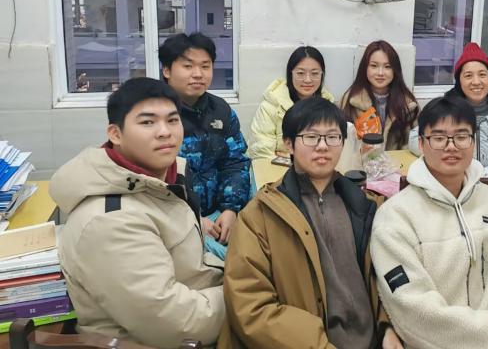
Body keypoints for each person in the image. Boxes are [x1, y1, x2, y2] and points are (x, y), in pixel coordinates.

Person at [50, 78, 224, 348]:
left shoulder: (161, 184)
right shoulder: (110, 220)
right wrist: (247, 295)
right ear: (115, 134)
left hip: (200, 309)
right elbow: (176, 324)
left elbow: (190, 264)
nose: (164, 132)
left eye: (172, 120)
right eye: (147, 122)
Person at [219, 97, 403, 349]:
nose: (323, 146)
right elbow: (250, 305)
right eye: (311, 137)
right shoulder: (259, 216)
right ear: (288, 144)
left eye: (333, 137)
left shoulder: (368, 207)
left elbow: (394, 276)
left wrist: (387, 325)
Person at [370, 96, 488, 349]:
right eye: (439, 137)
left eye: (462, 136)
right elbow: (414, 311)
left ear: (474, 142)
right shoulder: (395, 217)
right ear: (421, 144)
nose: (451, 146)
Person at [160, 32, 251, 260]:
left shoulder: (221, 111)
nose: (198, 74)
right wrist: (192, 219)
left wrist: (230, 209)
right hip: (170, 221)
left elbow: (235, 163)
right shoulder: (153, 114)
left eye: (205, 66)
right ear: (167, 70)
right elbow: (147, 180)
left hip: (219, 215)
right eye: (188, 66)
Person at [411, 42, 488, 194]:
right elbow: (416, 138)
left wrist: (482, 176)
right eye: (468, 75)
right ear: (459, 81)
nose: (476, 82)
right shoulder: (449, 107)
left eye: (482, 74)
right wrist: (449, 163)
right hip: (460, 189)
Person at [247, 45, 335, 159]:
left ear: (322, 75)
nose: (307, 80)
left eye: (314, 73)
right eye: (300, 73)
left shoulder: (329, 108)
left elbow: (333, 151)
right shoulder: (270, 107)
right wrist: (294, 162)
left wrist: (290, 157)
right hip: (277, 169)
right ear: (290, 73)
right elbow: (261, 152)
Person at [341, 40, 419, 150]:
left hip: (398, 160)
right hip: (361, 160)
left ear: (395, 70)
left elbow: (416, 143)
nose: (380, 73)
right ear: (365, 68)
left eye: (387, 66)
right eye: (374, 66)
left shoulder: (408, 104)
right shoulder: (350, 100)